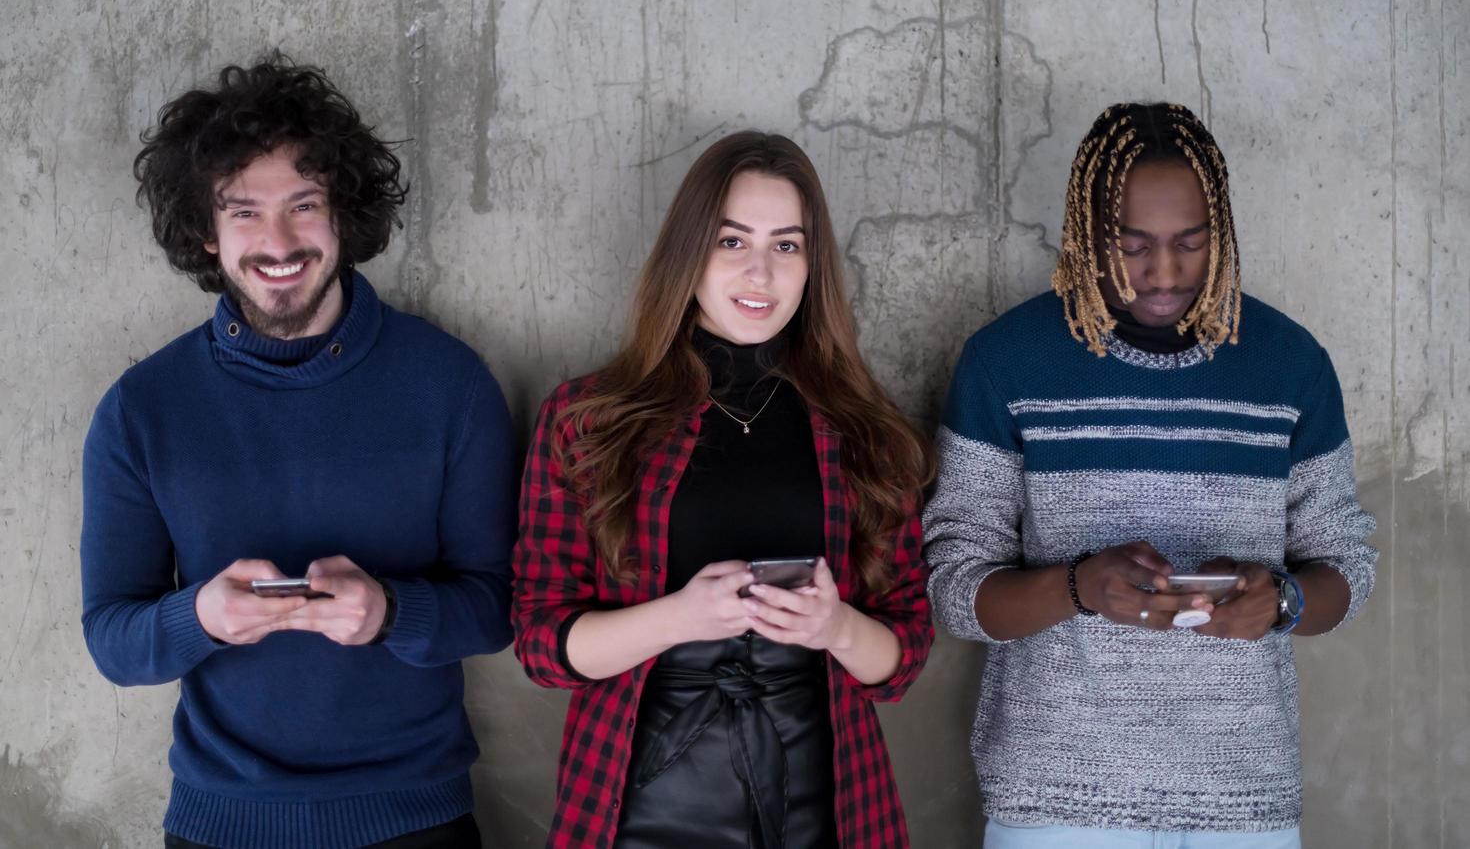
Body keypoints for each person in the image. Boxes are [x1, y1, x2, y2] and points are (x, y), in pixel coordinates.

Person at [80, 54, 518, 849]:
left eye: (303, 204)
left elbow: (496, 606)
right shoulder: (141, 411)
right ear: (206, 234)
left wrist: (390, 612)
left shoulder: (451, 385)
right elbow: (112, 636)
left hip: (416, 820)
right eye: (243, 211)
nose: (277, 241)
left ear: (343, 215)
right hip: (221, 824)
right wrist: (200, 617)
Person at [922, 102, 1378, 848]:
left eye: (1190, 244)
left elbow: (1347, 567)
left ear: (1221, 235)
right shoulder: (1006, 361)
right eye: (1129, 245)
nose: (1163, 273)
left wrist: (1284, 600)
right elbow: (954, 589)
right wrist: (1078, 587)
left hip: (1242, 797)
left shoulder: (1289, 364)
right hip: (1057, 800)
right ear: (1083, 233)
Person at [513, 131, 934, 848]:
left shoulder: (867, 432)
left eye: (787, 246)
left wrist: (832, 628)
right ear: (690, 253)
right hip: (635, 803)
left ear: (813, 266)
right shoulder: (589, 419)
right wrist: (679, 616)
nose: (761, 274)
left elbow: (904, 655)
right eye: (732, 242)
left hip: (823, 804)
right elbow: (542, 645)